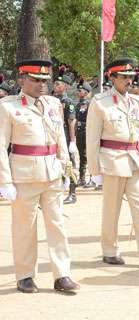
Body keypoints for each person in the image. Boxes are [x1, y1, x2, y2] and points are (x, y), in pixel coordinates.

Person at [0, 60, 80, 294]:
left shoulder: (54, 104)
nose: (41, 85)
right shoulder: (7, 106)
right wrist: (4, 181)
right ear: (21, 80)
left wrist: (66, 169)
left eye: (44, 80)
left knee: (57, 225)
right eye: (35, 80)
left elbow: (60, 139)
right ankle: (25, 275)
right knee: (25, 227)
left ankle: (62, 274)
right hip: (24, 176)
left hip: (52, 173)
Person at [86, 58, 139, 266]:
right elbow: (92, 138)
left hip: (134, 160)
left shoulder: (135, 101)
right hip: (112, 161)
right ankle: (110, 250)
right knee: (111, 209)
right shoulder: (100, 102)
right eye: (123, 77)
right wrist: (94, 170)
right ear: (111, 77)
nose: (128, 81)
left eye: (131, 77)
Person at [52, 66, 78, 204]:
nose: (55, 85)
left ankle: (72, 194)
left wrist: (72, 141)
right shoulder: (50, 100)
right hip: (54, 138)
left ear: (65, 87)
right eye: (55, 83)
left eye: (58, 84)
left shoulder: (68, 102)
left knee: (69, 165)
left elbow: (71, 122)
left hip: (66, 137)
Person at [74, 78, 93, 190]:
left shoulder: (90, 104)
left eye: (80, 90)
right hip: (79, 131)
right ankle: (82, 178)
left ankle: (92, 178)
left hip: (87, 130)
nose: (78, 92)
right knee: (81, 155)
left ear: (86, 92)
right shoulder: (77, 104)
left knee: (89, 155)